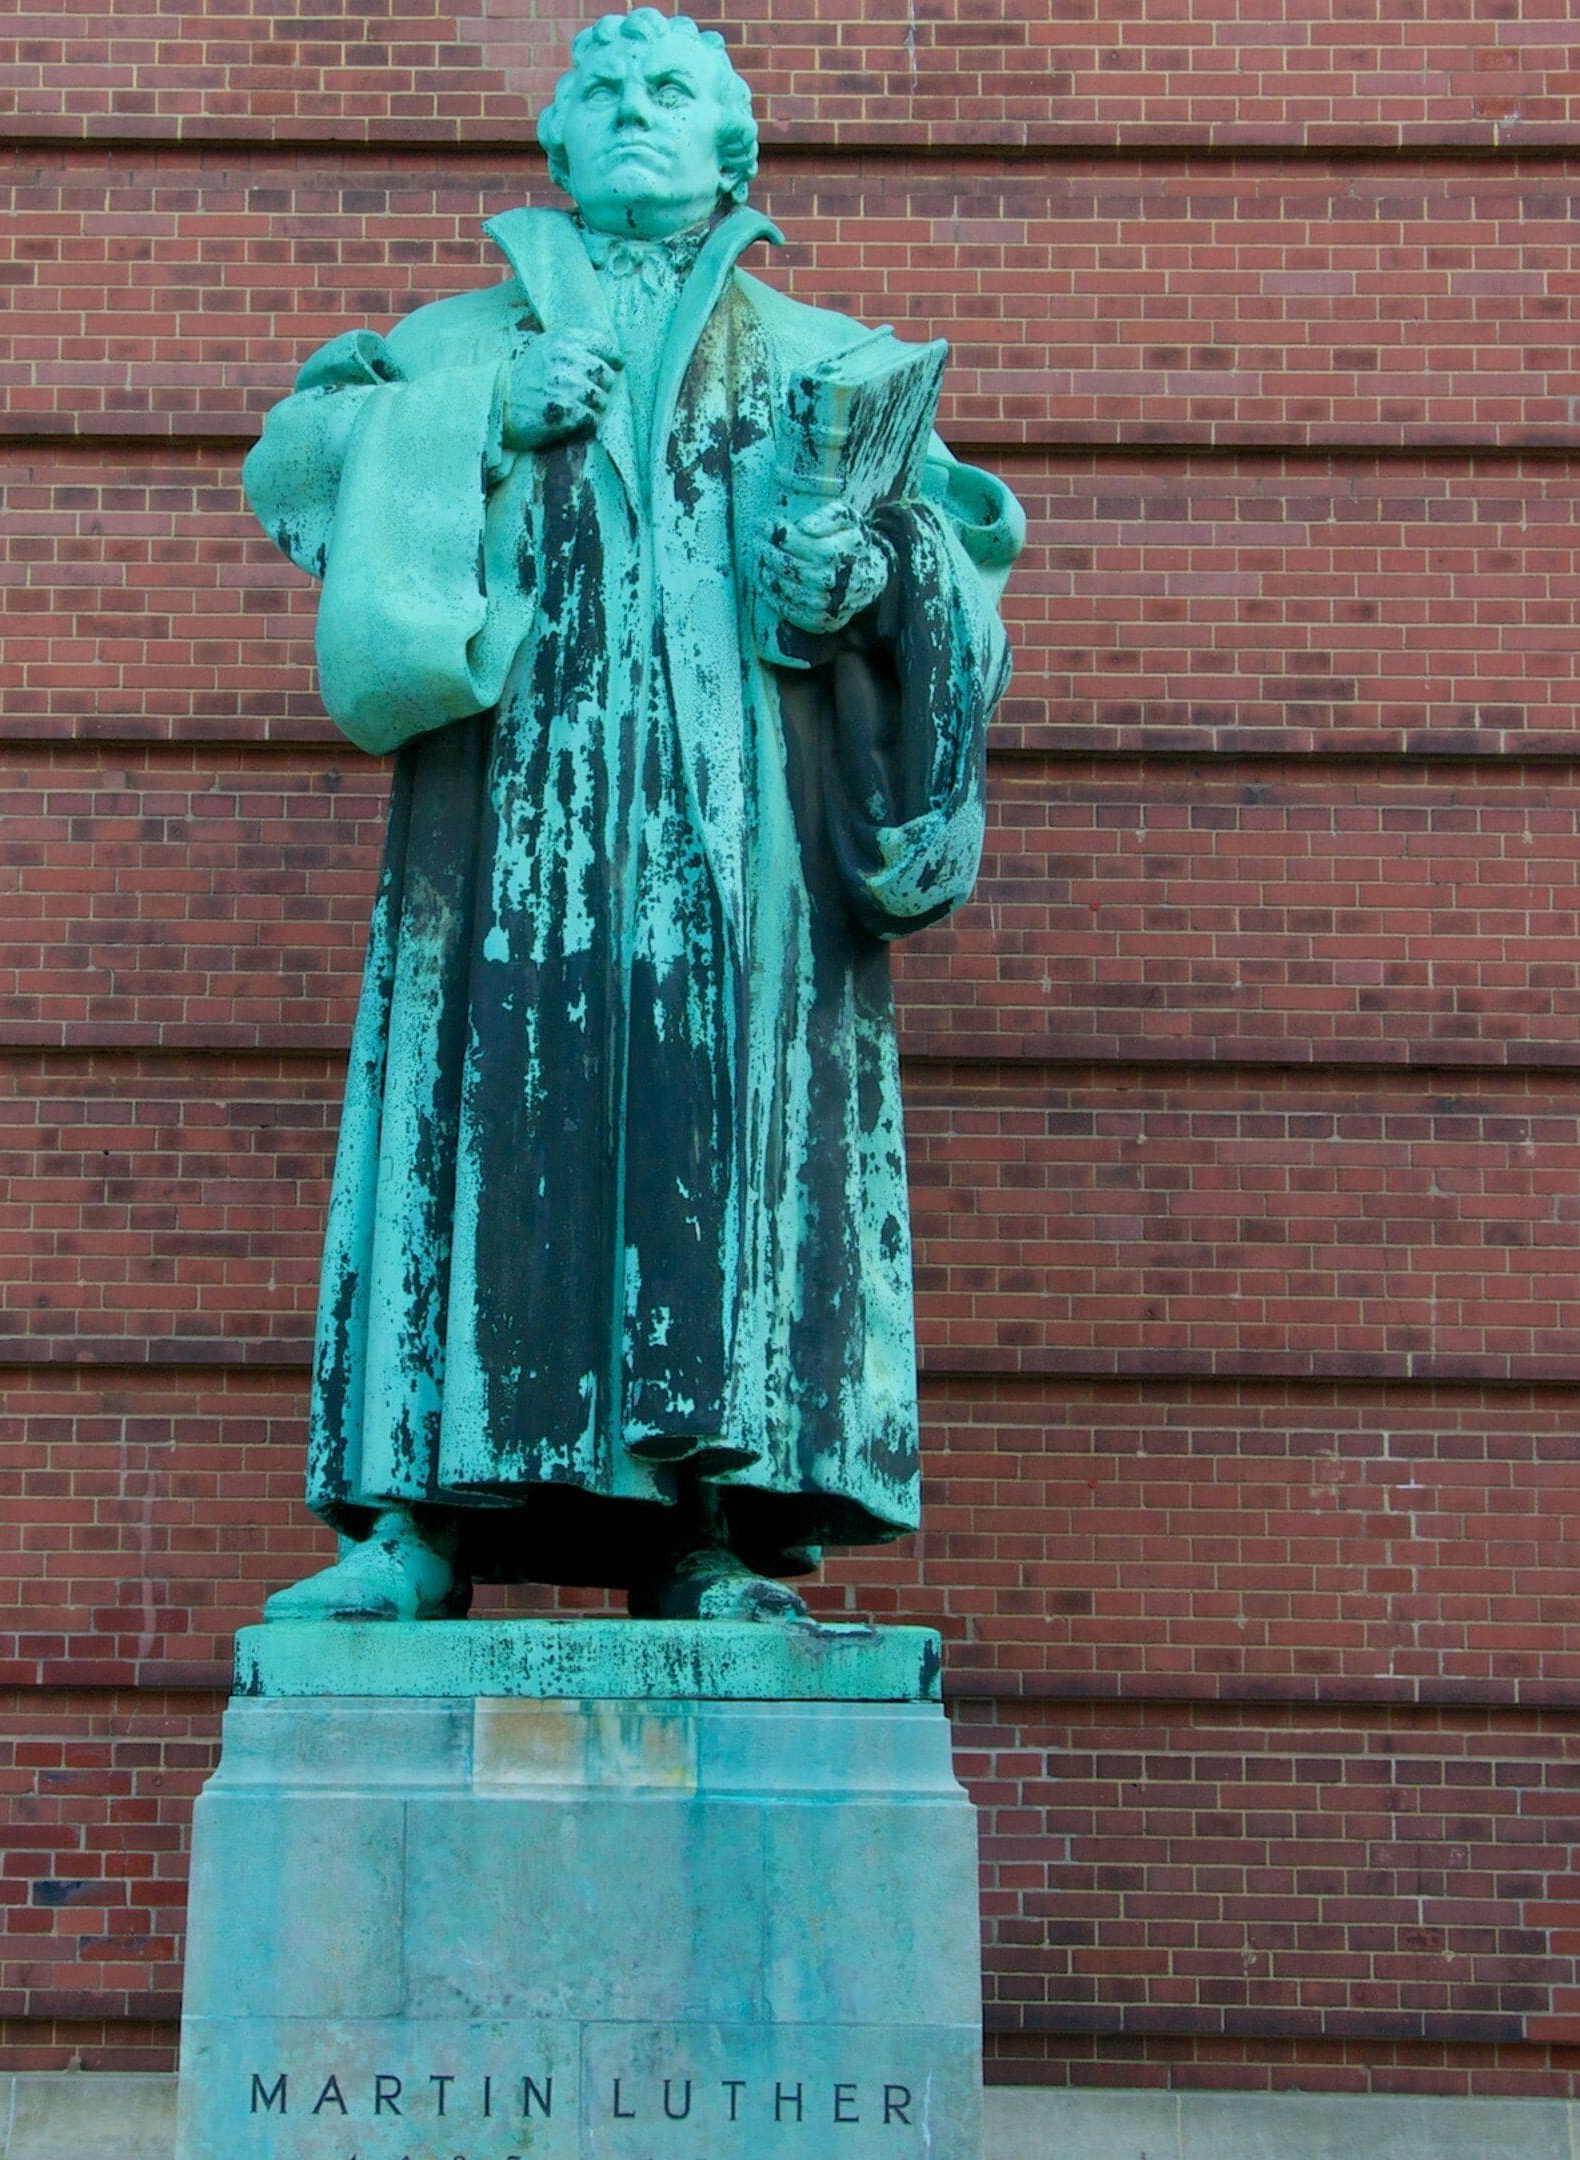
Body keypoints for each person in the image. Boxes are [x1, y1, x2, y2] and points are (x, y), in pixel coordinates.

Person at [240, 8, 1022, 1622]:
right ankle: (414, 1527)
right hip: (505, 829)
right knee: (466, 1125)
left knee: (722, 1155)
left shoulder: (822, 356)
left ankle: (711, 1536)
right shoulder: (462, 334)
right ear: (558, 146)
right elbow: (298, 468)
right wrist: (477, 420)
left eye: (674, 93)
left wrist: (869, 583)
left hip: (742, 854)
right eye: (600, 93)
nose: (635, 115)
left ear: (734, 147)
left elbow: (964, 573)